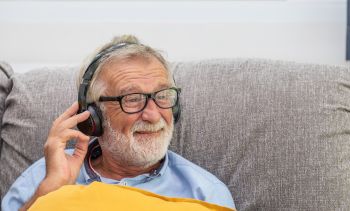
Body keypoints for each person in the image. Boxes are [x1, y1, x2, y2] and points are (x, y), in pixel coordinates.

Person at [1, 35, 236, 210]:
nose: (153, 115)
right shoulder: (43, 176)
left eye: (163, 96)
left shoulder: (206, 194)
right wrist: (49, 191)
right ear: (93, 116)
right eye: (133, 99)